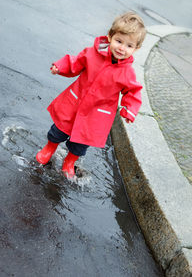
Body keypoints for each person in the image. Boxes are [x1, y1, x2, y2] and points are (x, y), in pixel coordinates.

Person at [36, 11, 146, 179]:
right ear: (110, 37)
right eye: (119, 41)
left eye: (129, 46)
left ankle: (69, 161)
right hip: (75, 102)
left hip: (96, 113)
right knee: (59, 129)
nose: (122, 48)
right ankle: (49, 148)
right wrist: (61, 67)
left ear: (136, 49)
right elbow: (75, 63)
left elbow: (132, 91)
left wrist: (129, 109)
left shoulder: (127, 72)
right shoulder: (91, 53)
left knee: (80, 142)